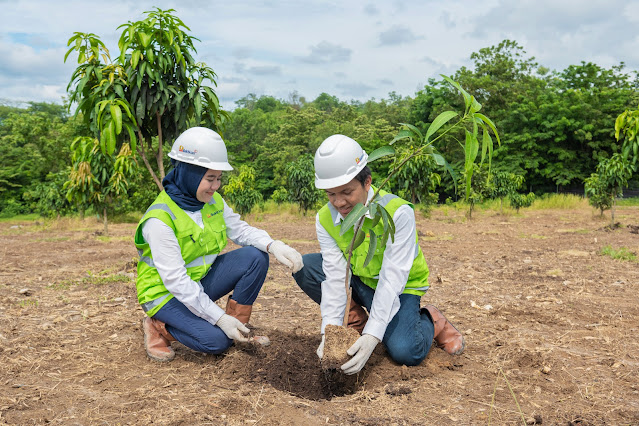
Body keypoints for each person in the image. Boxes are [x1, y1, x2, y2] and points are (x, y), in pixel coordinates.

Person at [293, 134, 464, 375]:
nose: (339, 202)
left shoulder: (397, 212)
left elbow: (392, 278)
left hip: (401, 287)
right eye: (331, 194)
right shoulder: (324, 218)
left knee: (406, 351)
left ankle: (432, 320)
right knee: (307, 266)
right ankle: (356, 324)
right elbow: (334, 277)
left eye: (346, 192)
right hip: (362, 281)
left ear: (367, 182)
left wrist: (374, 335)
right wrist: (329, 332)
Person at [135, 127, 303, 362]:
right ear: (189, 175)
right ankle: (160, 326)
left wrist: (273, 245)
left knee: (255, 257)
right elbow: (176, 281)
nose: (216, 186)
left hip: (198, 281)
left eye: (218, 178)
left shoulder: (212, 201)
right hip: (165, 293)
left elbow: (240, 230)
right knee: (215, 341)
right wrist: (218, 318)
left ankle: (240, 330)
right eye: (210, 179)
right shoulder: (159, 220)